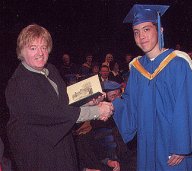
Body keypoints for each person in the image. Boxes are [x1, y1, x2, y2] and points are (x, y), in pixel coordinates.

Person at [112, 4, 192, 171]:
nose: (141, 36)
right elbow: (131, 105)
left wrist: (181, 146)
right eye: (136, 32)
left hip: (173, 145)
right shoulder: (136, 69)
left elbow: (187, 104)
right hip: (147, 144)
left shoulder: (178, 63)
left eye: (146, 29)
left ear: (160, 30)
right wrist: (111, 101)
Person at [5, 24, 113, 171]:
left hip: (61, 145)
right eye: (33, 48)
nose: (40, 53)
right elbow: (53, 114)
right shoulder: (19, 83)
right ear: (22, 51)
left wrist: (88, 102)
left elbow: (64, 102)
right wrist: (96, 111)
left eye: (44, 47)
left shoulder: (50, 70)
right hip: (39, 153)